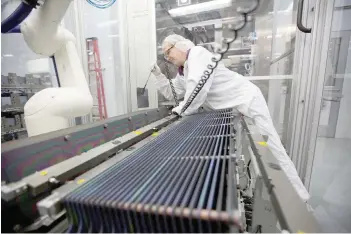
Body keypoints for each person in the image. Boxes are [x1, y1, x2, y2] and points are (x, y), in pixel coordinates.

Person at [151, 34, 310, 202]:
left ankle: (301, 198)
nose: (167, 58)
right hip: (232, 108)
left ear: (180, 45)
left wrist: (180, 110)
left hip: (247, 100)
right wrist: (158, 75)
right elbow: (171, 92)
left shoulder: (197, 54)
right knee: (250, 154)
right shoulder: (183, 72)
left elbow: (198, 88)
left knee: (272, 146)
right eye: (165, 55)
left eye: (168, 52)